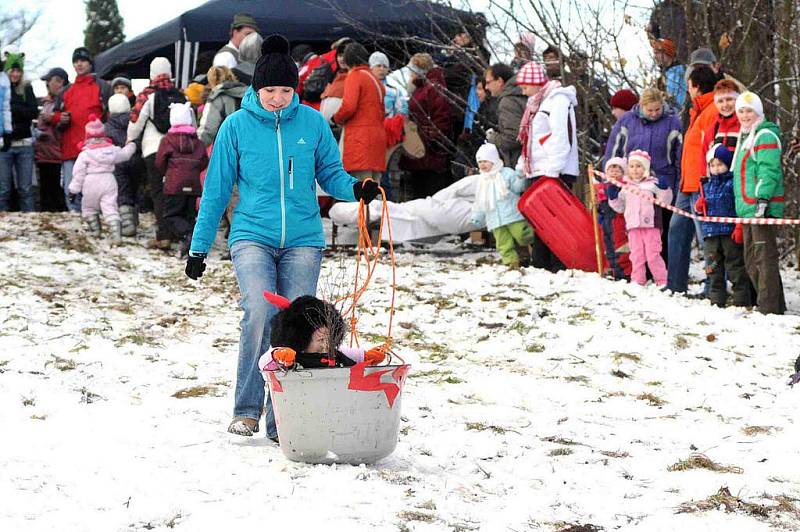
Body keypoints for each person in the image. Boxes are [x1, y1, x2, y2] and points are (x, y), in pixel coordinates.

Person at [184, 34, 381, 438]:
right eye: (270, 90)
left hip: (303, 238)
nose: (278, 98)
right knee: (259, 310)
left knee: (295, 327)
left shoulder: (311, 122)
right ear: (257, 89)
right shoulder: (236, 127)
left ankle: (284, 420)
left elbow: (330, 173)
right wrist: (198, 248)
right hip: (252, 234)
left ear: (296, 89)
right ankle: (246, 408)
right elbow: (217, 191)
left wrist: (355, 189)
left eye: (286, 90)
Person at [604, 88, 683, 263]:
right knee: (637, 230)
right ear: (641, 106)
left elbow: (679, 156)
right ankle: (640, 270)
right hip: (633, 185)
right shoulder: (626, 121)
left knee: (660, 232)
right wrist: (611, 177)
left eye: (657, 110)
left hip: (662, 183)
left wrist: (677, 186)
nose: (654, 114)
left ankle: (663, 272)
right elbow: (613, 150)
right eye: (650, 110)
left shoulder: (673, 122)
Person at [515, 60, 579, 272]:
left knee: (555, 222)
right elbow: (532, 137)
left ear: (535, 83)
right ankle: (540, 264)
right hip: (539, 169)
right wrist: (524, 163)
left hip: (554, 171)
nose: (523, 92)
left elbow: (561, 135)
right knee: (539, 221)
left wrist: (554, 170)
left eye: (524, 86)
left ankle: (558, 264)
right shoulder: (537, 102)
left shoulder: (557, 100)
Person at [731, 91, 786, 315]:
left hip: (761, 208)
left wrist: (762, 199)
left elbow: (768, 170)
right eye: (741, 111)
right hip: (747, 209)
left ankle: (769, 309)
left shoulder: (764, 136)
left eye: (749, 111)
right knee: (752, 260)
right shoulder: (744, 137)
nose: (744, 115)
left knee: (764, 260)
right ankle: (774, 306)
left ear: (758, 112)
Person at [668, 66, 719, 295]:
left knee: (706, 237)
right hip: (686, 185)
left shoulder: (712, 111)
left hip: (702, 184)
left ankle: (713, 286)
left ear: (696, 86)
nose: (687, 90)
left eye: (689, 85)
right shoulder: (696, 111)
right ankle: (675, 285)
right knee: (676, 230)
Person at [127, 57, 185, 250]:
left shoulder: (147, 96)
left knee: (159, 193)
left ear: (151, 73)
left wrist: (129, 139)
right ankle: (179, 232)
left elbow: (136, 123)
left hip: (153, 149)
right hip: (177, 150)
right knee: (176, 192)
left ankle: (164, 236)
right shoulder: (180, 95)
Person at [258, 293, 386, 375]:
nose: (325, 346)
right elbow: (264, 364)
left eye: (329, 341)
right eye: (320, 341)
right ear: (301, 339)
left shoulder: (332, 354)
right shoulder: (293, 359)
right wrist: (278, 355)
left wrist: (365, 357)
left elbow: (345, 352)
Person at [51, 46, 112, 212]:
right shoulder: (66, 91)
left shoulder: (103, 87)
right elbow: (54, 115)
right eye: (76, 61)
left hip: (96, 150)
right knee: (71, 186)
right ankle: (74, 218)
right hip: (70, 148)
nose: (79, 64)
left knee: (94, 188)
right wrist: (59, 119)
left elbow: (111, 116)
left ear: (90, 63)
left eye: (83, 60)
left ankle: (94, 218)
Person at [693, 144, 750, 307]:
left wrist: (738, 226)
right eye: (712, 165)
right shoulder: (706, 186)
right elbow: (699, 212)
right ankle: (716, 299)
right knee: (713, 268)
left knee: (735, 267)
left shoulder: (732, 184)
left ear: (727, 164)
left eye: (720, 164)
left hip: (728, 232)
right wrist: (699, 206)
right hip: (711, 233)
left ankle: (741, 299)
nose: (716, 169)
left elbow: (739, 206)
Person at [68, 115, 136, 244]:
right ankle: (116, 234)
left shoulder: (85, 154)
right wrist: (131, 145)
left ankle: (95, 230)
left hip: (90, 182)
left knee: (89, 207)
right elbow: (124, 155)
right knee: (110, 207)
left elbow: (78, 174)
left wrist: (73, 190)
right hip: (108, 180)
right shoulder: (111, 150)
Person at [609, 150, 672, 287]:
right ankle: (638, 280)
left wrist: (664, 189)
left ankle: (662, 281)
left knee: (653, 255)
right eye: (632, 166)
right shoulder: (625, 187)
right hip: (633, 227)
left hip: (651, 226)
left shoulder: (652, 184)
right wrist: (613, 197)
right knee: (636, 255)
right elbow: (620, 207)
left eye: (639, 166)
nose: (635, 169)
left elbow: (665, 201)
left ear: (646, 168)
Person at [155, 102, 208, 258]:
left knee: (171, 215)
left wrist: (167, 172)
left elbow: (159, 162)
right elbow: (204, 161)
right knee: (189, 215)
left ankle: (188, 235)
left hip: (174, 184)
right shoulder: (197, 142)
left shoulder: (167, 140)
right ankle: (190, 247)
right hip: (193, 183)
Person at [469, 143, 532, 269]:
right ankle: (511, 262)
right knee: (503, 243)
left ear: (494, 160)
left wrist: (521, 176)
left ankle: (534, 241)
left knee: (521, 234)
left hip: (512, 215)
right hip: (494, 219)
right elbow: (480, 201)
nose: (482, 165)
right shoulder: (482, 181)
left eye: (485, 161)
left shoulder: (506, 173)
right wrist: (477, 215)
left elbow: (518, 187)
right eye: (480, 162)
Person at [399, 53, 453, 199]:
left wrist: (427, 138)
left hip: (427, 152)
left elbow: (441, 120)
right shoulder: (425, 88)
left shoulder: (431, 89)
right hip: (423, 149)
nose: (409, 74)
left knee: (427, 193)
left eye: (411, 71)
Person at [333, 43, 387, 184]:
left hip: (360, 139)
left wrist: (335, 118)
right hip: (377, 138)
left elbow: (349, 106)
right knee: (375, 188)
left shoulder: (355, 76)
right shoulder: (374, 78)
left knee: (361, 188)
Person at [0, 51, 37, 212]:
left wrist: (13, 108)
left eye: (18, 71)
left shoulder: (27, 88)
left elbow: (33, 112)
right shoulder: (2, 90)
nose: (15, 74)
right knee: (4, 189)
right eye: (12, 70)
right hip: (4, 145)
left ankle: (31, 222)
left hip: (24, 145)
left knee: (26, 189)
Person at [106, 93, 141, 237]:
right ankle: (135, 218)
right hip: (137, 160)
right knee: (135, 190)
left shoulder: (107, 126)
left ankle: (127, 223)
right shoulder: (135, 122)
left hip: (118, 163)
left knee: (123, 192)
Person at [35, 67, 69, 212]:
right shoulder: (45, 103)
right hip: (43, 155)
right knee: (45, 193)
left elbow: (66, 123)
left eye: (55, 80)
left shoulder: (66, 102)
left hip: (58, 155)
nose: (51, 84)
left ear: (63, 83)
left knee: (59, 193)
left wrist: (52, 119)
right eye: (49, 81)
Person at [484, 63, 526, 167]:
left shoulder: (508, 101)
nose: (486, 87)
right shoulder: (521, 93)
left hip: (519, 163)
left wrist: (493, 138)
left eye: (488, 82)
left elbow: (513, 137)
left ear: (499, 81)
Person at [197, 66, 247, 145]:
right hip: (249, 145)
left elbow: (209, 130)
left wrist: (196, 146)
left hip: (226, 146)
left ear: (211, 80)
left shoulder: (217, 97)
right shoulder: (248, 94)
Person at [597, 157, 627, 279]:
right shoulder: (603, 187)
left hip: (618, 221)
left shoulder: (624, 187)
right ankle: (611, 268)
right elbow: (601, 204)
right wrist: (600, 214)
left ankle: (622, 271)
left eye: (618, 170)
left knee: (620, 246)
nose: (614, 173)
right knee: (607, 245)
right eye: (611, 170)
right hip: (606, 221)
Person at [319, 41, 350, 124]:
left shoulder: (354, 77)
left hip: (342, 126)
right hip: (327, 127)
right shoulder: (334, 75)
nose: (342, 59)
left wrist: (336, 119)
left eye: (345, 55)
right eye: (340, 55)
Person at [651, 38, 686, 111]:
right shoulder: (665, 75)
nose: (655, 56)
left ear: (666, 53)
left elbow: (677, 101)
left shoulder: (678, 72)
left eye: (657, 53)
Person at [369, 51, 407, 118]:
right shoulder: (364, 87)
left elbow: (402, 110)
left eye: (385, 66)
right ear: (371, 68)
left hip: (387, 126)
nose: (382, 69)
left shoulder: (394, 90)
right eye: (378, 66)